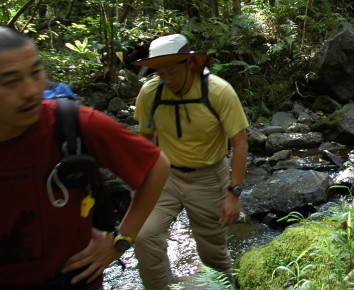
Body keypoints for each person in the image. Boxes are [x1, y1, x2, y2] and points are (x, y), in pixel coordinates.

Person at [0, 26, 170, 289]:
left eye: (36, 73)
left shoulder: (74, 124)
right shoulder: (150, 91)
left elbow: (155, 165)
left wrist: (122, 239)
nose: (30, 90)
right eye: (11, 82)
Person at [132, 34, 249, 289]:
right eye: (160, 73)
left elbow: (239, 143)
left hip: (208, 178)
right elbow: (146, 139)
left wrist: (234, 194)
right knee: (144, 236)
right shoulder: (151, 93)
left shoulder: (218, 91)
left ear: (190, 64)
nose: (167, 79)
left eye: (173, 71)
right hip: (166, 177)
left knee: (213, 257)